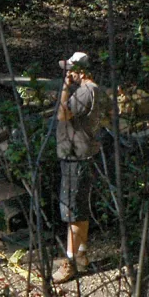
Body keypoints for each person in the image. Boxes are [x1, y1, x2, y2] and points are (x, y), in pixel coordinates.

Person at [53, 51, 104, 284]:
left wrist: (64, 88)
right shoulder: (95, 90)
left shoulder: (86, 91)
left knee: (72, 212)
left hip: (76, 158)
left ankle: (70, 262)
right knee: (80, 209)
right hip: (83, 155)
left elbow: (63, 114)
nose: (68, 74)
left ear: (80, 72)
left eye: (70, 70)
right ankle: (81, 254)